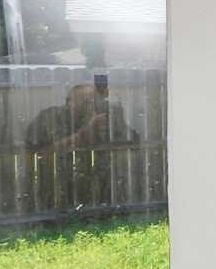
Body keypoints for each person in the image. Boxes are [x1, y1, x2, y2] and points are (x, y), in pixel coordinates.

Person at [26, 82, 136, 215]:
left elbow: (133, 141)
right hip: (55, 181)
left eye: (93, 100)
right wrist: (81, 135)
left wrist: (113, 124)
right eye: (84, 100)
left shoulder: (105, 117)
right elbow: (35, 151)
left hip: (98, 183)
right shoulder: (49, 118)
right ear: (69, 101)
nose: (89, 104)